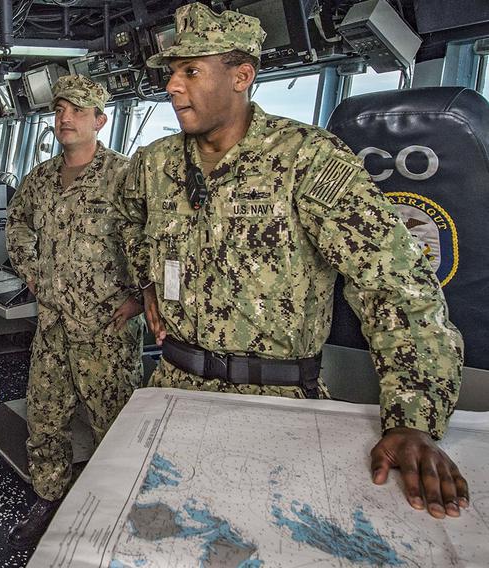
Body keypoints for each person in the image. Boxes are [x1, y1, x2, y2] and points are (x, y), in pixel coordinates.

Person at [119, 3, 467, 521]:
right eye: (170, 72)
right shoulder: (155, 164)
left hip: (279, 403)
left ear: (242, 76)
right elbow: (129, 220)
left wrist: (412, 419)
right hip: (173, 390)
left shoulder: (308, 160)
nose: (172, 86)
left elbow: (397, 286)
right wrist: (148, 281)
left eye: (190, 71)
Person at [5, 75, 144, 549]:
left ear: (100, 120)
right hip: (52, 324)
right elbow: (18, 225)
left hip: (107, 327)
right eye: (60, 109)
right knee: (45, 418)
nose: (65, 118)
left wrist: (142, 297)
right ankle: (48, 498)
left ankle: (114, 506)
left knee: (114, 422)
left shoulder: (125, 176)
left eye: (78, 111)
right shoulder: (40, 177)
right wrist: (32, 271)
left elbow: (153, 240)